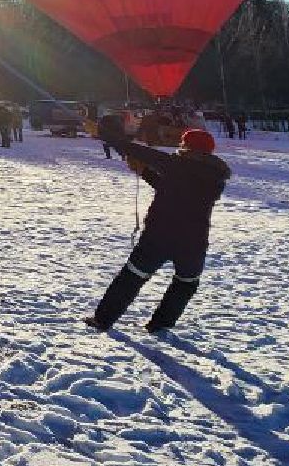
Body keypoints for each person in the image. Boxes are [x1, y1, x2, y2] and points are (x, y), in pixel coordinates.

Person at [87, 126, 231, 333]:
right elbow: (177, 189)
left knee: (131, 277)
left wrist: (108, 136)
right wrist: (144, 172)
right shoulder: (215, 176)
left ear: (188, 147)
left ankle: (102, 320)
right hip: (194, 242)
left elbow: (142, 153)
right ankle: (161, 325)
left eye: (183, 143)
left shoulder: (176, 165)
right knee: (186, 283)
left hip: (158, 237)